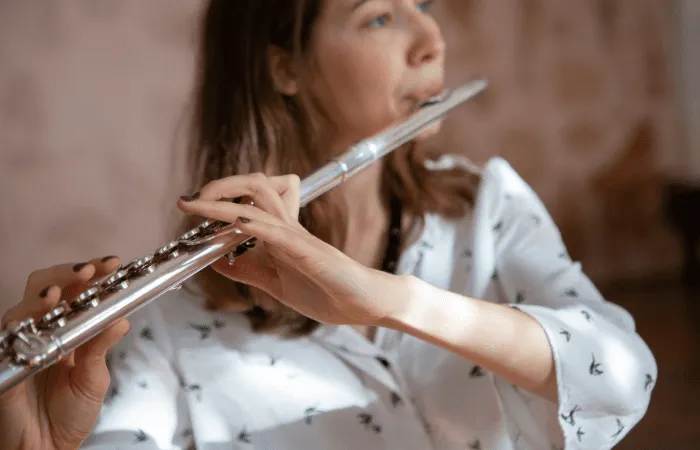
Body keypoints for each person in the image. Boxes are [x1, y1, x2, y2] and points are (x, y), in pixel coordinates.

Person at [0, 0, 657, 449]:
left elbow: (626, 376)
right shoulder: (171, 317)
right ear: (283, 66)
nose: (432, 41)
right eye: (378, 16)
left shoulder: (487, 206)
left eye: (423, 5)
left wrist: (387, 300)